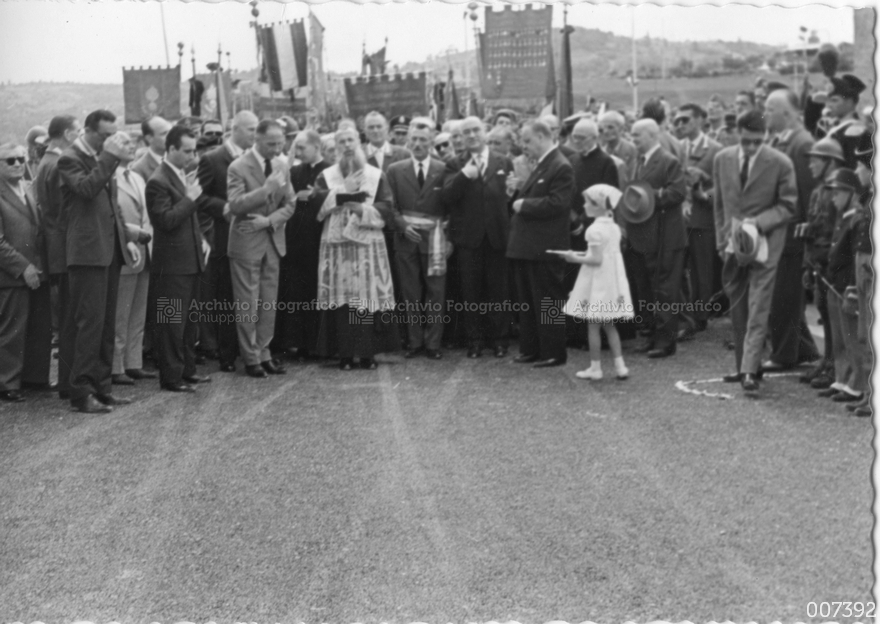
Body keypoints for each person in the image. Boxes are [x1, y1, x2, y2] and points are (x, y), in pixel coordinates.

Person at [58, 109, 141, 413]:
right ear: (87, 131)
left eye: (111, 135)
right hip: (87, 254)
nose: (110, 141)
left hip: (108, 251)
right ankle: (80, 393)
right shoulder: (70, 158)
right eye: (104, 135)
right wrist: (109, 156)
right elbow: (86, 189)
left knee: (106, 324)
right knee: (89, 325)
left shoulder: (100, 158)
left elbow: (112, 206)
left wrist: (127, 240)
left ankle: (102, 388)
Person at [713, 110, 797, 393]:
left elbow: (788, 206)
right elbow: (720, 206)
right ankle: (744, 366)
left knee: (759, 305)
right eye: (747, 141)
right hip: (732, 245)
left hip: (766, 244)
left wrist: (758, 224)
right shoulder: (721, 159)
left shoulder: (780, 162)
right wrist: (721, 240)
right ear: (738, 133)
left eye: (757, 142)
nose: (751, 147)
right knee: (738, 306)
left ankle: (750, 370)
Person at [313, 126, 400, 370]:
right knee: (343, 301)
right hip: (337, 248)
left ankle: (366, 353)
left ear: (359, 143)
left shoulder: (375, 174)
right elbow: (315, 204)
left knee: (364, 298)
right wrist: (343, 192)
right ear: (336, 147)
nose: (347, 145)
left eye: (351, 140)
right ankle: (344, 354)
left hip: (367, 245)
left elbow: (387, 206)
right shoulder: (326, 175)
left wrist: (363, 209)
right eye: (342, 141)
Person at [227, 119, 296, 379]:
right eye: (271, 144)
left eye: (280, 143)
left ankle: (264, 352)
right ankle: (250, 357)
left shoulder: (281, 165)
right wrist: (265, 190)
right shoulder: (238, 167)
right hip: (246, 244)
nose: (277, 149)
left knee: (268, 303)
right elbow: (234, 205)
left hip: (272, 240)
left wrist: (269, 221)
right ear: (257, 139)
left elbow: (290, 203)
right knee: (247, 303)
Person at [145, 126, 211, 393]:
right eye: (186, 151)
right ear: (170, 149)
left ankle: (187, 370)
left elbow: (186, 220)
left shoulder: (180, 176)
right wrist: (190, 199)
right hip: (171, 265)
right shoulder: (158, 181)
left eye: (194, 150)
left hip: (189, 261)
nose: (191, 156)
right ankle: (171, 377)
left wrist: (200, 242)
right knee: (171, 323)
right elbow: (166, 220)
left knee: (188, 321)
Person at [441, 116, 514, 359]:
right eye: (466, 132)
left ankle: (500, 340)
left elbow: (511, 199)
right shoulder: (453, 163)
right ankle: (474, 341)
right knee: (470, 292)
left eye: (475, 130)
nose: (471, 135)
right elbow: (447, 197)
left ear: (484, 132)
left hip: (497, 237)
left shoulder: (503, 161)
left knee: (498, 291)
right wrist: (464, 175)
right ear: (460, 137)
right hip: (468, 238)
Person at [507, 119, 574, 368]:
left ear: (542, 137)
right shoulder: (544, 164)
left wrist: (524, 204)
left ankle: (554, 351)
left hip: (545, 247)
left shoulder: (559, 165)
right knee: (529, 302)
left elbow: (559, 203)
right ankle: (532, 348)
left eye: (527, 140)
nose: (524, 146)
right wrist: (518, 195)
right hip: (529, 247)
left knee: (547, 302)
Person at [763, 89, 821, 371]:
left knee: (784, 295)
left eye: (769, 109)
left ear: (786, 113)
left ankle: (784, 355)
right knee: (784, 293)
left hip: (791, 232)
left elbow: (809, 195)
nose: (765, 115)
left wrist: (804, 234)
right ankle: (805, 349)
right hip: (779, 229)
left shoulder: (802, 143)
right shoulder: (782, 140)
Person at [196, 110, 258, 373]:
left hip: (255, 234)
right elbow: (199, 196)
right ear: (237, 129)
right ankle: (227, 353)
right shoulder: (212, 159)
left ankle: (254, 351)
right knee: (226, 296)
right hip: (224, 235)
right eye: (252, 129)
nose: (255, 134)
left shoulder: (258, 158)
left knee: (252, 295)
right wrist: (223, 208)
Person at [558, 184, 633, 381]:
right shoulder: (614, 227)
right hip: (611, 282)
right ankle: (620, 366)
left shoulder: (593, 230)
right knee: (609, 324)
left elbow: (596, 259)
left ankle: (595, 368)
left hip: (598, 284)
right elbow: (604, 255)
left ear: (598, 206)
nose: (584, 205)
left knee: (593, 325)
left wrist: (573, 258)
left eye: (588, 202)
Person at [387, 124, 449, 360]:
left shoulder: (443, 169)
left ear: (431, 141)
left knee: (436, 293)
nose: (418, 144)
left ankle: (433, 343)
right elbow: (389, 205)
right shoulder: (395, 170)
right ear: (407, 142)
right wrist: (402, 225)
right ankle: (414, 342)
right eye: (414, 139)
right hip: (407, 240)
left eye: (423, 139)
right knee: (410, 293)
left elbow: (451, 206)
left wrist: (447, 237)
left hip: (434, 240)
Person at [626, 118, 687, 359]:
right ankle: (651, 335)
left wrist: (646, 196)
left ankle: (665, 341)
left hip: (665, 235)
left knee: (664, 290)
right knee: (647, 289)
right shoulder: (639, 161)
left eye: (636, 135)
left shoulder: (668, 161)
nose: (633, 140)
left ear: (652, 136)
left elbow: (678, 193)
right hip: (646, 235)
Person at [0, 143, 52, 402]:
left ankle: (34, 377)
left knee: (38, 327)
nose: (18, 163)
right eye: (10, 160)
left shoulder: (26, 188)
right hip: (11, 275)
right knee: (13, 329)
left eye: (20, 158)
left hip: (38, 270)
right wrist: (23, 267)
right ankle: (7, 382)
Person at [33, 114, 80, 399]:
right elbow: (65, 213)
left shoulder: (46, 162)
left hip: (57, 249)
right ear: (66, 133)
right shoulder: (58, 163)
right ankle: (69, 382)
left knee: (67, 319)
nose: (79, 134)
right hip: (64, 249)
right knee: (70, 320)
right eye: (76, 130)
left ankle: (67, 381)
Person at [274, 129, 330, 360]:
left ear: (317, 147)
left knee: (314, 290)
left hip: (318, 238)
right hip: (295, 239)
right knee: (294, 291)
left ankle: (315, 344)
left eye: (302, 147)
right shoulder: (294, 170)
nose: (297, 152)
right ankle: (294, 342)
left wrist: (314, 196)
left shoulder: (328, 171)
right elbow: (287, 198)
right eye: (295, 148)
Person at [796, 137, 846, 388]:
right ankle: (827, 361)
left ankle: (838, 366)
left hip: (832, 265)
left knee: (836, 317)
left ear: (830, 162)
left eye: (815, 161)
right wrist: (807, 263)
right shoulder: (818, 191)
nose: (811, 166)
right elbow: (813, 228)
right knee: (824, 313)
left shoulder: (839, 192)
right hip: (817, 263)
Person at [674, 104, 723, 340]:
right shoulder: (677, 147)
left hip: (703, 218)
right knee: (678, 270)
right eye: (678, 121)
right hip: (679, 219)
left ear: (699, 121)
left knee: (701, 270)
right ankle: (685, 317)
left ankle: (700, 315)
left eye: (685, 120)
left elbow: (723, 188)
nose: (680, 125)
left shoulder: (715, 150)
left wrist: (705, 195)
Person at [818, 168, 866, 405]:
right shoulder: (843, 216)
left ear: (851, 194)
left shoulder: (856, 218)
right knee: (839, 337)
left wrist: (852, 289)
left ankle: (857, 383)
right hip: (834, 282)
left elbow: (853, 257)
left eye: (838, 192)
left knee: (851, 337)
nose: (833, 197)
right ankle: (842, 377)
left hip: (845, 284)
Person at [111, 133, 155, 386]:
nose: (131, 148)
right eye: (124, 144)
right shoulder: (108, 177)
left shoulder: (136, 176)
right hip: (125, 250)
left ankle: (133, 362)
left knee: (137, 312)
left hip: (145, 250)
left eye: (132, 144)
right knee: (121, 313)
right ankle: (117, 366)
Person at [599, 111, 638, 182]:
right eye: (603, 128)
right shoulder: (601, 150)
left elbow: (631, 178)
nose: (605, 131)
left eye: (610, 127)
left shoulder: (631, 149)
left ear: (621, 129)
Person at [132, 116, 172, 183]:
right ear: (149, 138)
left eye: (171, 132)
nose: (171, 136)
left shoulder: (181, 157)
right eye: (164, 134)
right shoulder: (139, 170)